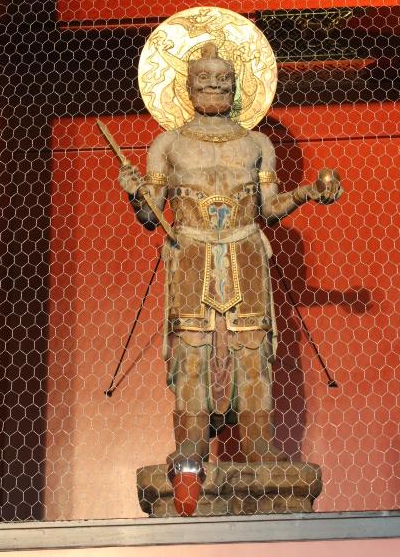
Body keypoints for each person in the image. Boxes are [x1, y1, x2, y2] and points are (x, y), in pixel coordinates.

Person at [119, 42, 342, 478]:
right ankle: (190, 446)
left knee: (252, 348)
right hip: (191, 252)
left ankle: (259, 445)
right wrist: (134, 194)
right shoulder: (168, 144)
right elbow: (150, 216)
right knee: (191, 349)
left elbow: (269, 208)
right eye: (205, 78)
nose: (215, 85)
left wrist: (309, 192)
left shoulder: (256, 143)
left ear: (237, 87)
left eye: (224, 79)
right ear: (188, 87)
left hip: (245, 250)